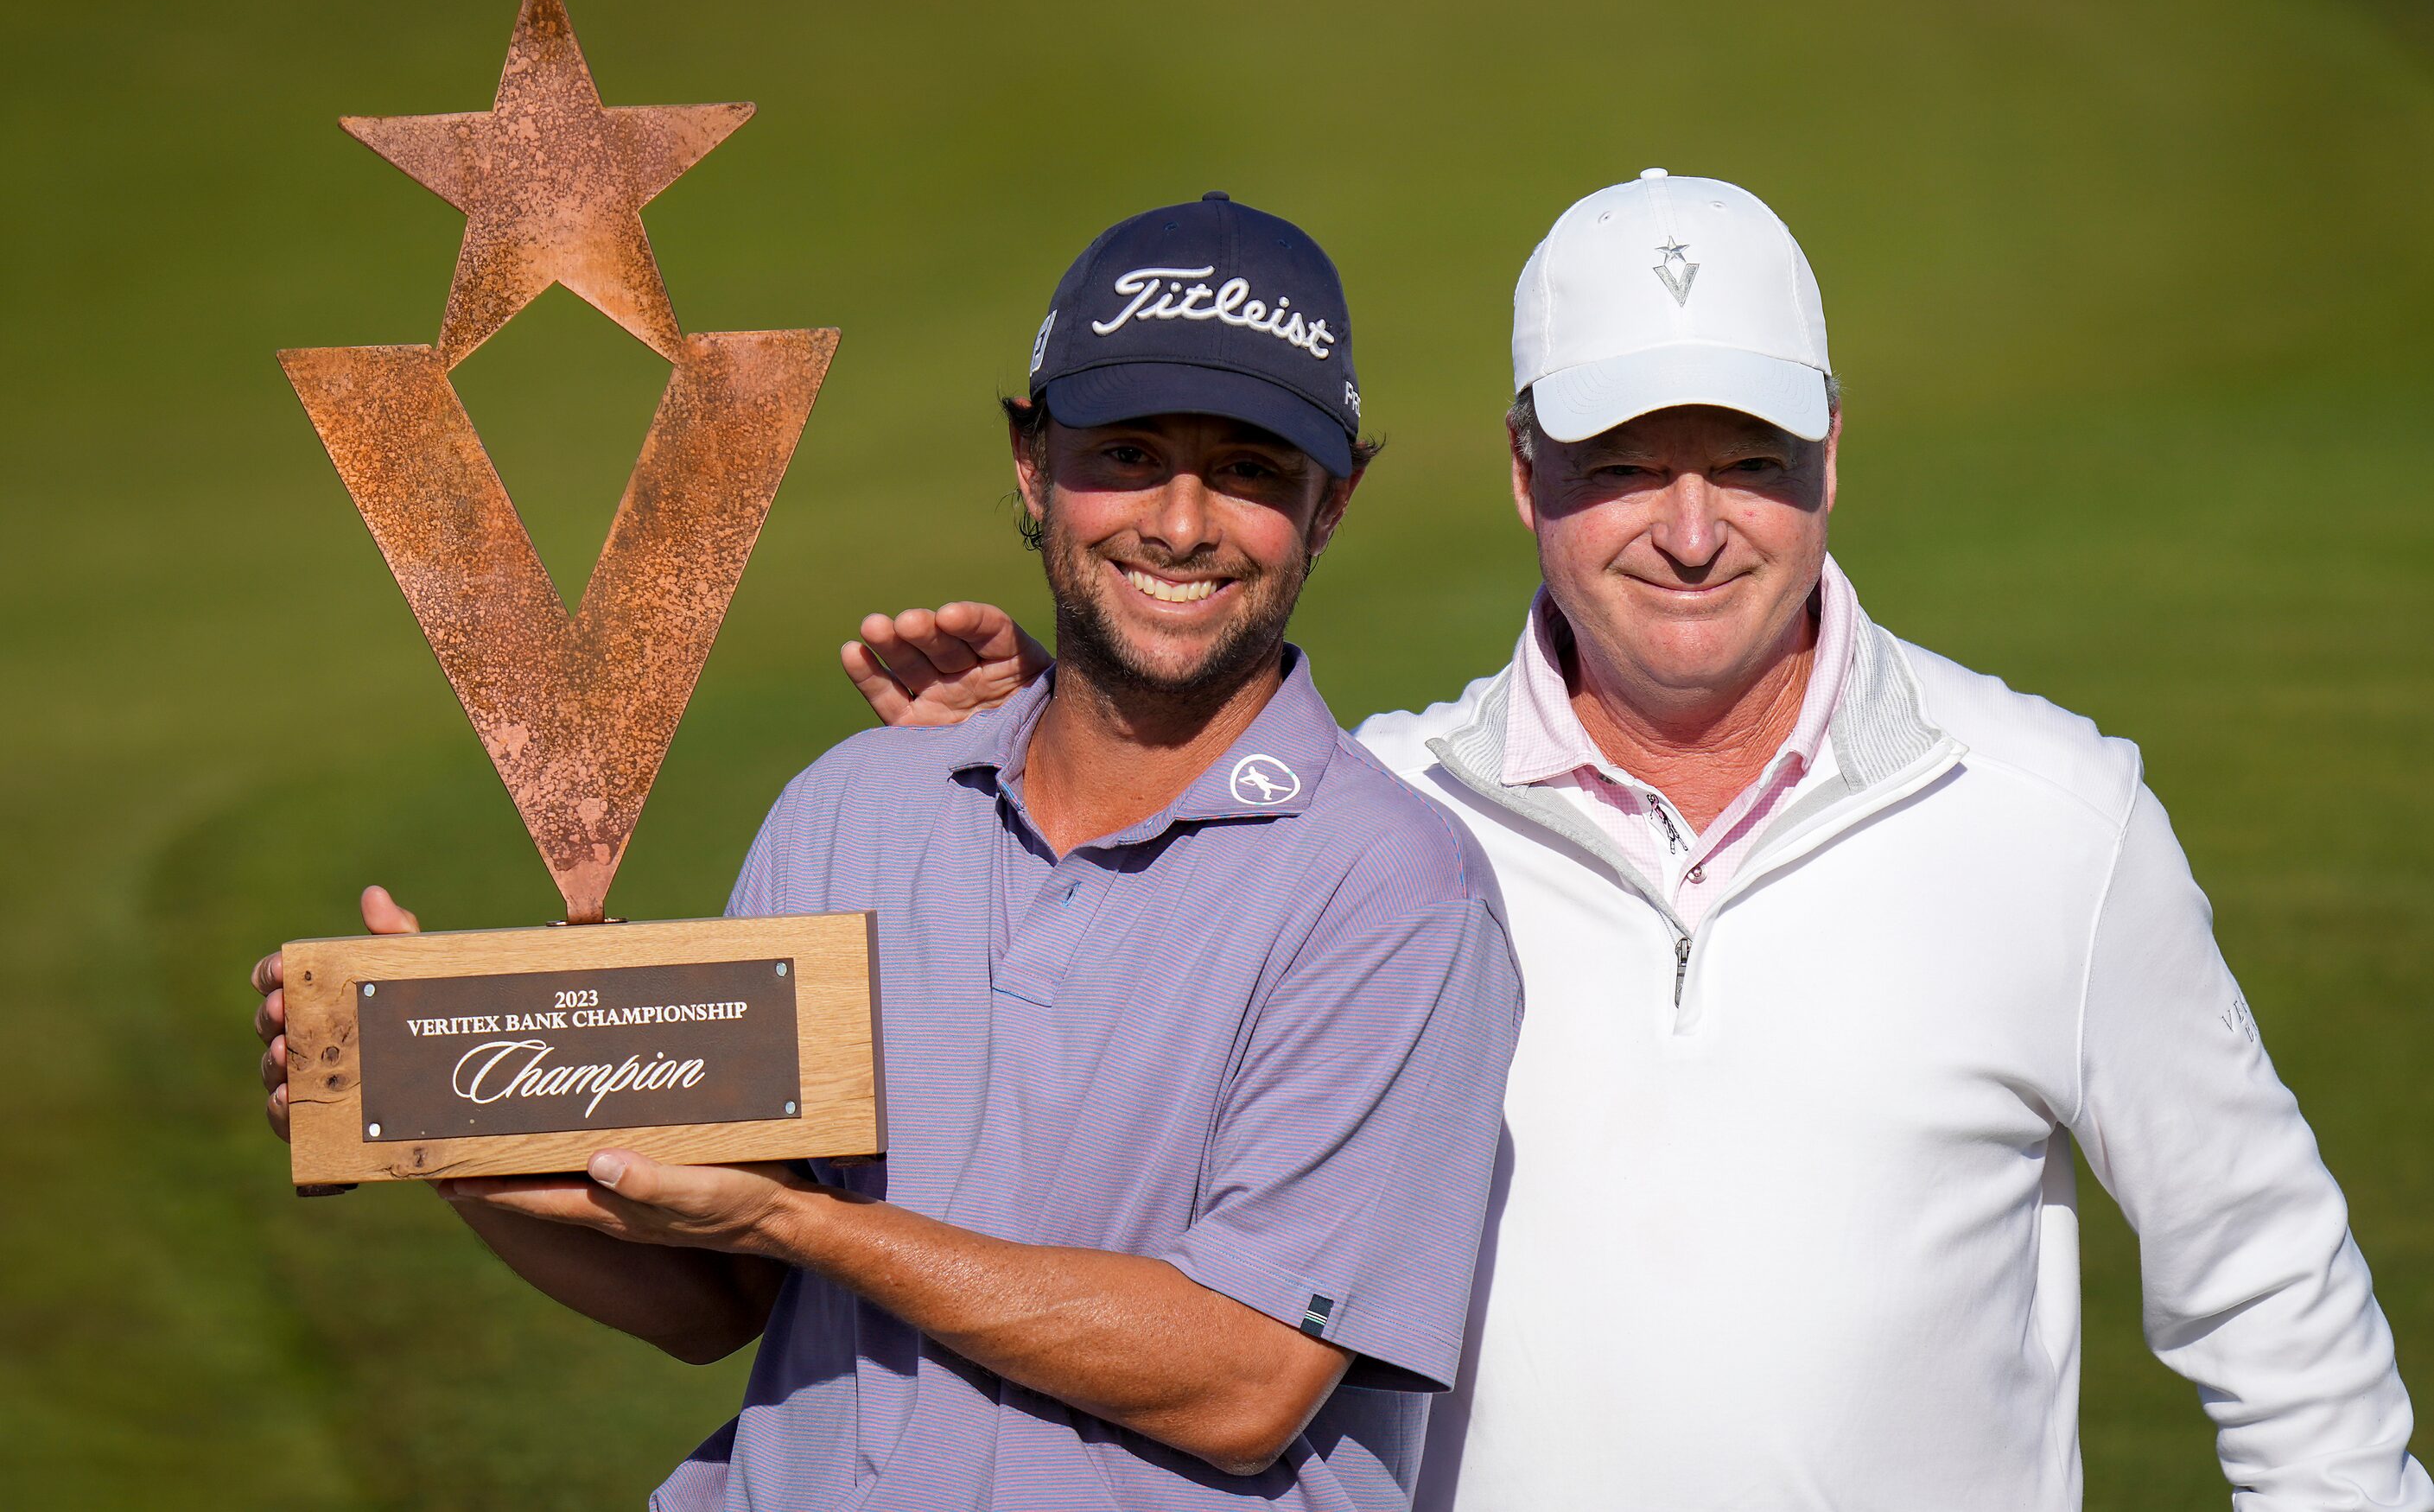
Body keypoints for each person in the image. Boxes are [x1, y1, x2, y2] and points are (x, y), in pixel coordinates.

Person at [844, 170, 2431, 1509]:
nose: (1688, 530)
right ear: (1526, 472)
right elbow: (1083, 1152)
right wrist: (1056, 745)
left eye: (1746, 461)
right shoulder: (1370, 840)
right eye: (1620, 468)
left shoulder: (2052, 820)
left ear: (1830, 450)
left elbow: (2282, 1319)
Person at [249, 193, 1522, 1511]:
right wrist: (446, 1121)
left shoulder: (1395, 891)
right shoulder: (853, 807)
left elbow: (1243, 1378)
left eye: (1251, 469)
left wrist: (810, 1227)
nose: (1182, 523)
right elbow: (715, 1293)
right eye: (1128, 453)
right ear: (1032, 464)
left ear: (1333, 503)